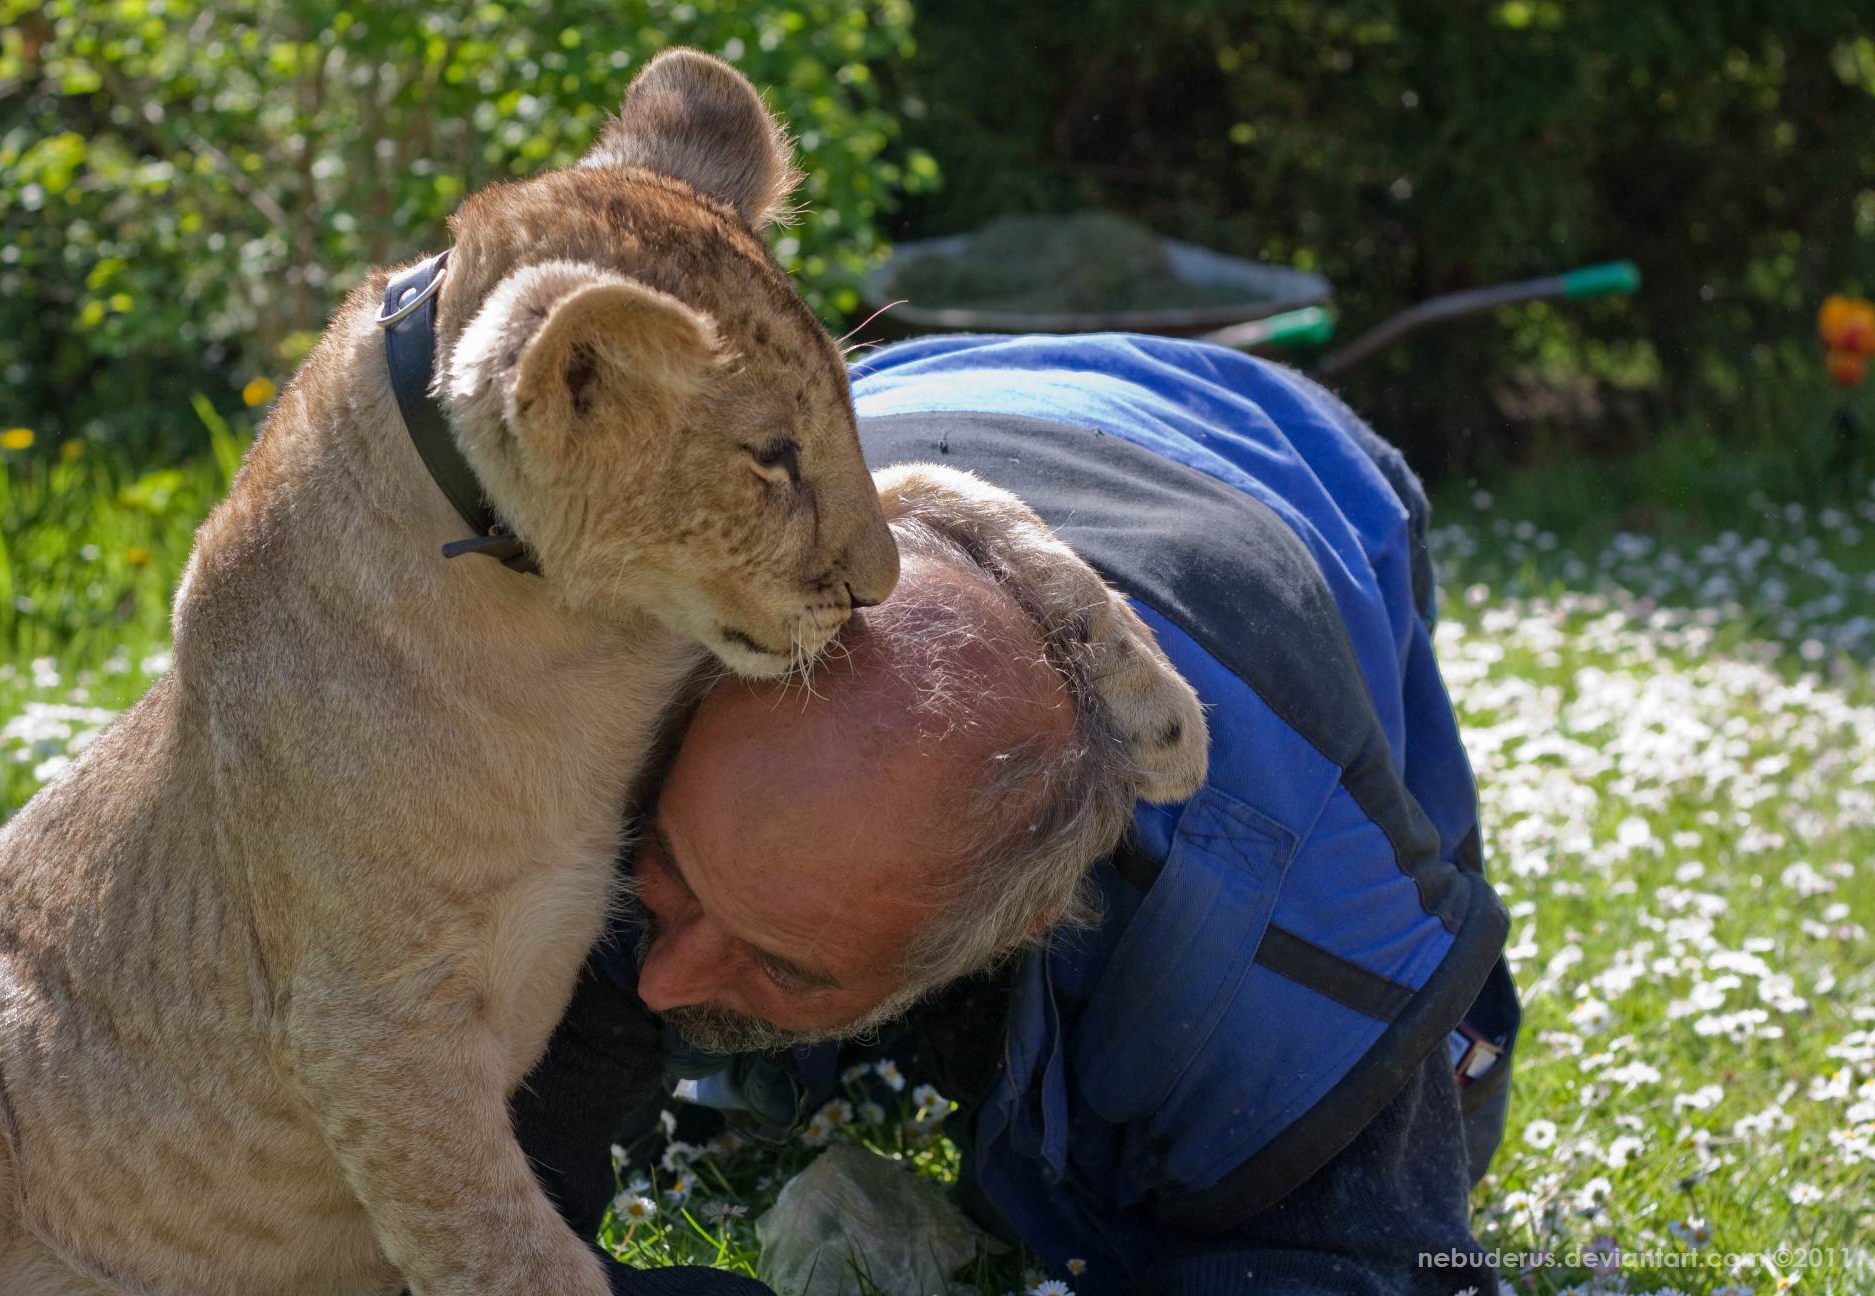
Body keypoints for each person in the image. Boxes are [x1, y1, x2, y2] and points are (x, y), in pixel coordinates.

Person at [517, 333, 1521, 1295]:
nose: (662, 976)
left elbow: (1360, 1267)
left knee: (1421, 1091)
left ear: (1027, 922)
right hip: (936, 393)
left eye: (782, 959)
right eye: (677, 871)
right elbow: (446, 1220)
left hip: (1286, 460)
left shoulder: (1278, 905)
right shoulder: (626, 709)